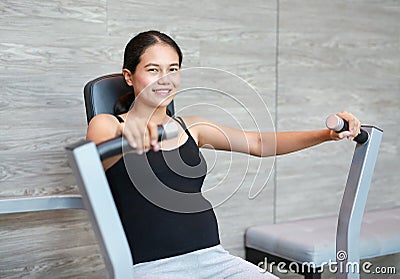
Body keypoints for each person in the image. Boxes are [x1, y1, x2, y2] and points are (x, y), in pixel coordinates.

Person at [86, 30, 361, 279]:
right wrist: (130, 137)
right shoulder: (108, 125)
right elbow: (96, 160)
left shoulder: (191, 127)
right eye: (153, 70)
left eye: (173, 69)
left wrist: (326, 135)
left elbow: (259, 143)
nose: (165, 80)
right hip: (152, 268)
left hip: (216, 261)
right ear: (129, 76)